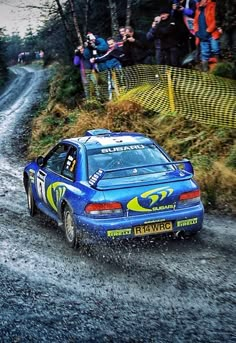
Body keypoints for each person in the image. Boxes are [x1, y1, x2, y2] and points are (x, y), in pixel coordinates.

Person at [194, 0, 221, 71]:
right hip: (202, 35)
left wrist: (208, 31)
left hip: (212, 34)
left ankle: (220, 67)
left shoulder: (212, 6)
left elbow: (215, 21)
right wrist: (196, 32)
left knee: (216, 49)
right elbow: (195, 22)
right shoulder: (198, 9)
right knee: (204, 52)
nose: (201, 2)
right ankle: (205, 69)